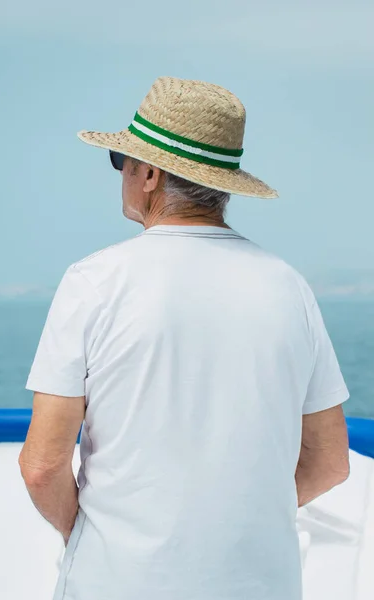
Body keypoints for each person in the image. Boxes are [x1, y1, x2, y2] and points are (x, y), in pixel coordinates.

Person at [18, 76, 350, 600]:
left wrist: (86, 536)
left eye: (120, 162)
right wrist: (232, 530)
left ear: (147, 174)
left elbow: (41, 467)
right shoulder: (290, 287)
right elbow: (330, 463)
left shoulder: (95, 281)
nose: (121, 174)